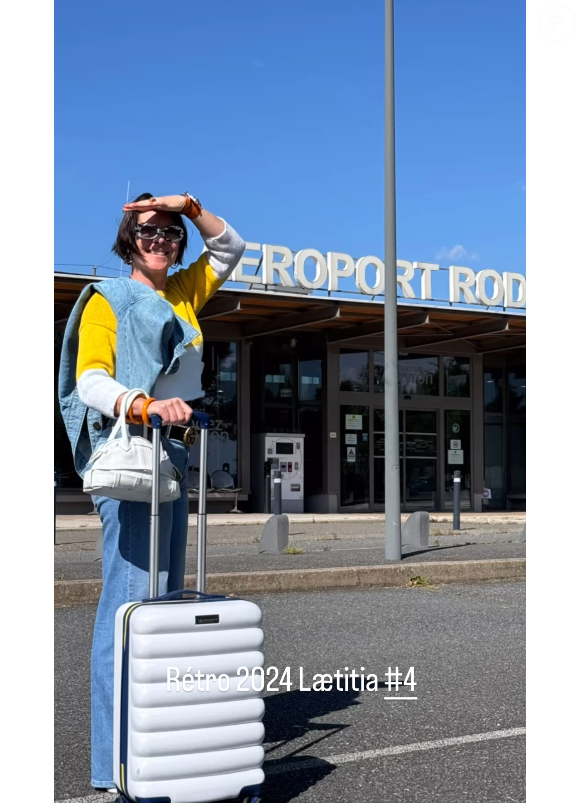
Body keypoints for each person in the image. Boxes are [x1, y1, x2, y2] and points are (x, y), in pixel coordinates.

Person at [58, 192, 246, 791]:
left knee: (162, 605)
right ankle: (115, 763)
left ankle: (156, 750)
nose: (160, 238)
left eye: (169, 231)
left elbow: (232, 246)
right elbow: (89, 381)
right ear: (127, 238)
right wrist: (143, 405)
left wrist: (188, 204)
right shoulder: (108, 300)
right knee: (129, 605)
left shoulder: (185, 292)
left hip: (173, 456)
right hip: (131, 459)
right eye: (148, 230)